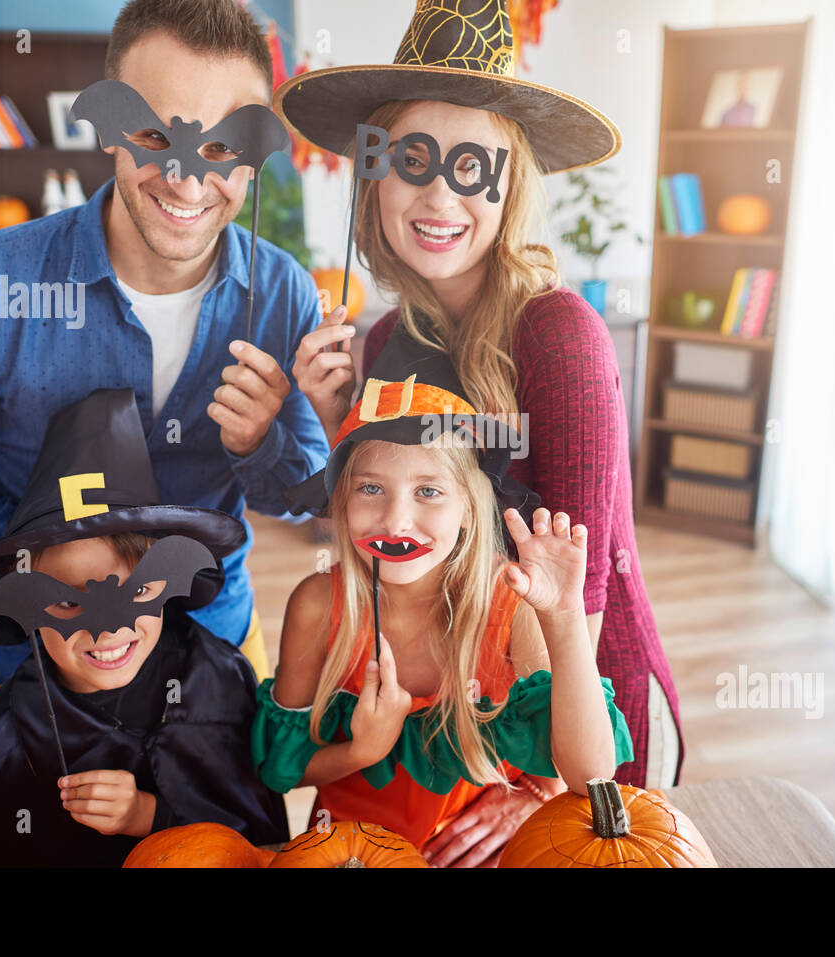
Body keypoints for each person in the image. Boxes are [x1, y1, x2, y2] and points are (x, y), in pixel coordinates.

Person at [277, 0, 683, 847]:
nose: (438, 194)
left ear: (510, 186)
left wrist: (538, 786)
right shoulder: (387, 337)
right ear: (374, 177)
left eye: (473, 168)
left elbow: (584, 582)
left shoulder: (558, 335)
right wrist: (330, 421)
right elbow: (390, 538)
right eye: (412, 162)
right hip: (456, 722)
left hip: (576, 714)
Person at [0, 0, 328, 689]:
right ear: (109, 129)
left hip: (216, 648)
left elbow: (301, 490)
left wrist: (256, 443)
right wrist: (39, 549)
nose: (185, 178)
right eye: (152, 132)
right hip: (47, 667)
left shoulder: (285, 293)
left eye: (222, 146)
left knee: (219, 804)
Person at [254, 335, 633, 866]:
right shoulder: (318, 606)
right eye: (370, 489)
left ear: (469, 509)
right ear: (340, 499)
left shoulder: (510, 604)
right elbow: (281, 766)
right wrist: (364, 750)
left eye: (428, 491)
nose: (395, 520)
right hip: (350, 854)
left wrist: (564, 618)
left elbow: (591, 775)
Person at [0, 389, 289, 867]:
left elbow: (261, 846)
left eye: (135, 592)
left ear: (166, 576)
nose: (107, 633)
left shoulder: (217, 679)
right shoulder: (3, 742)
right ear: (22, 600)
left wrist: (150, 816)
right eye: (69, 601)